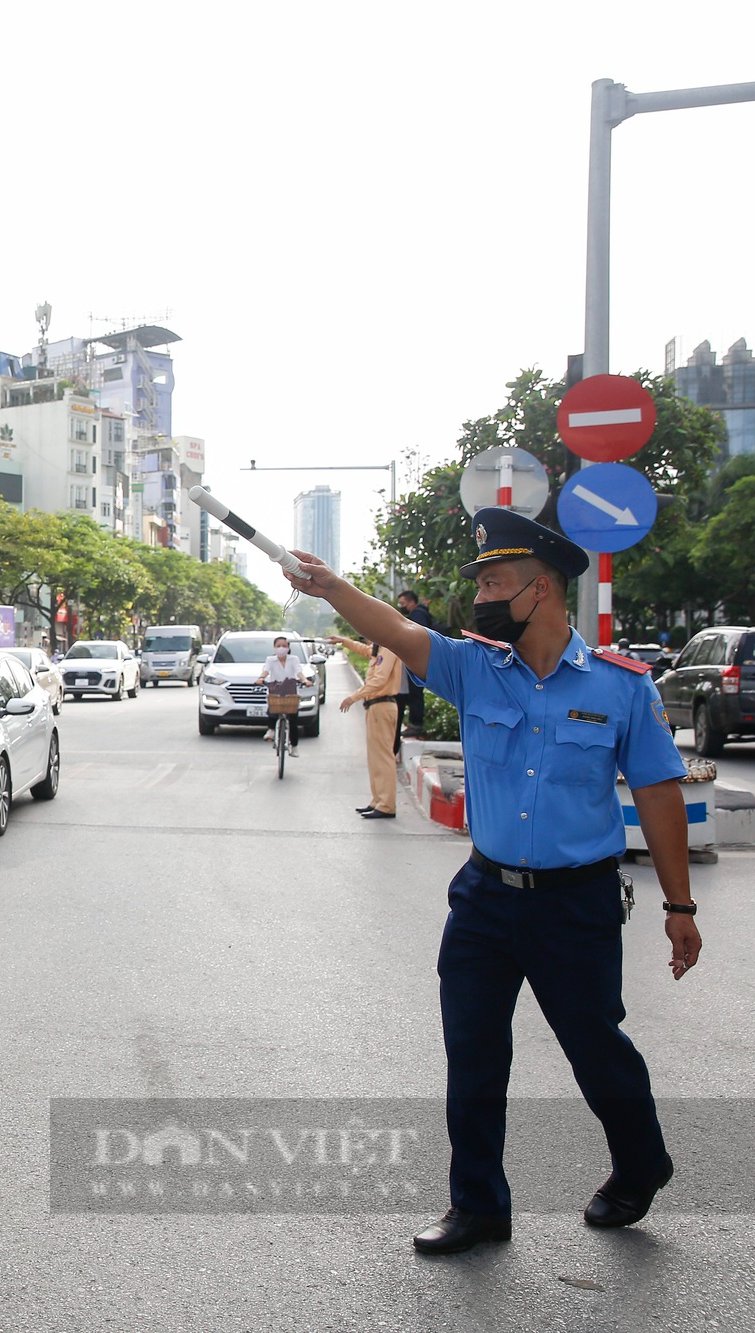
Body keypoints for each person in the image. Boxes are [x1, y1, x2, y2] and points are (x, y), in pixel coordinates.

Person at [283, 506, 701, 1256]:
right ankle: (478, 1204)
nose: (480, 596)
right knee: (473, 1053)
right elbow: (400, 631)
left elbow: (661, 794)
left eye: (495, 582)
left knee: (595, 1047)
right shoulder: (474, 667)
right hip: (483, 896)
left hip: (577, 902)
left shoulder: (620, 687)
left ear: (541, 589)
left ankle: (642, 1162)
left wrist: (679, 905)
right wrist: (331, 586)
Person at [334, 633, 405, 819]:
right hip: (375, 707)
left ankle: (387, 804)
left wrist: (353, 697)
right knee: (375, 757)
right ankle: (378, 800)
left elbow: (379, 680)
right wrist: (344, 641)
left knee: (383, 756)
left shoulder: (388, 649)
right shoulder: (379, 649)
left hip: (382, 705)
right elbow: (365, 651)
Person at [253, 636, 311, 755]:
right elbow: (266, 670)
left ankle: (294, 746)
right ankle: (271, 729)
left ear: (288, 648)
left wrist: (305, 680)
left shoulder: (294, 659)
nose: (281, 648)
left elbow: (298, 672)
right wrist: (261, 678)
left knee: (293, 720)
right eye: (278, 646)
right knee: (273, 706)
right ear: (274, 648)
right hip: (276, 689)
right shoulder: (270, 660)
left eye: (284, 646)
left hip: (290, 689)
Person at [397, 590, 436, 739]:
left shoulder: (418, 615)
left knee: (415, 693)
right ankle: (414, 723)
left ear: (412, 602)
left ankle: (416, 724)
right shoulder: (419, 613)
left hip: (418, 659)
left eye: (403, 603)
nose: (401, 606)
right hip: (418, 659)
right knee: (413, 693)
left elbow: (418, 637)